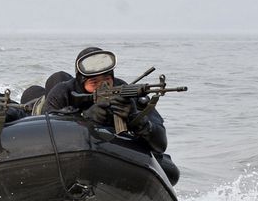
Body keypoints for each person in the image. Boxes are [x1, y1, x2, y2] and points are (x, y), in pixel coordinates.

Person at [44, 47, 178, 183]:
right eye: (94, 83)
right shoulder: (64, 92)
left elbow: (160, 145)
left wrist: (137, 120)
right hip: (73, 153)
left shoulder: (125, 91)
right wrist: (83, 117)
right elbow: (46, 133)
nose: (103, 87)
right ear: (81, 81)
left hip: (112, 153)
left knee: (170, 171)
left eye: (107, 80)